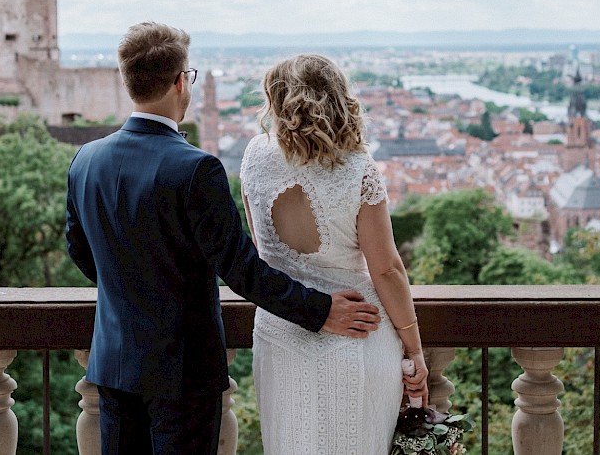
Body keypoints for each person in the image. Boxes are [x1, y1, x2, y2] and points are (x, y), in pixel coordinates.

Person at [65, 23, 382, 455]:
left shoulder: (86, 159)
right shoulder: (196, 168)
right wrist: (321, 310)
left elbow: (81, 252)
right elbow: (240, 268)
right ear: (181, 81)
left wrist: (134, 285)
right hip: (183, 368)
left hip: (114, 361)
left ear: (128, 82)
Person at [240, 53, 430, 454]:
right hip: (359, 329)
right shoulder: (357, 167)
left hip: (281, 330)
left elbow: (261, 249)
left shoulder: (255, 155)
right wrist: (413, 349)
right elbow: (387, 270)